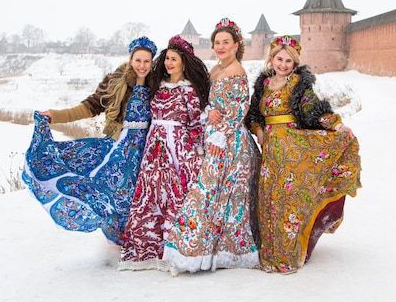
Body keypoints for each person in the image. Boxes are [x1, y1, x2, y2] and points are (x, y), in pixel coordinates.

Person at [22, 36, 157, 247]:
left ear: (152, 62)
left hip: (145, 149)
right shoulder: (115, 81)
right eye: (138, 60)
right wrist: (55, 116)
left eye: (146, 61)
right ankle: (122, 238)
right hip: (117, 145)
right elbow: (89, 107)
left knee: (136, 193)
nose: (142, 66)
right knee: (110, 189)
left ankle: (139, 235)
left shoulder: (156, 85)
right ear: (131, 60)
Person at [245, 35, 362, 273]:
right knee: (268, 200)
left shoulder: (299, 85)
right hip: (270, 151)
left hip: (292, 147)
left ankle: (286, 256)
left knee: (286, 201)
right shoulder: (263, 85)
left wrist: (337, 126)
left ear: (294, 63)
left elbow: (314, 110)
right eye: (280, 59)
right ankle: (268, 255)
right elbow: (254, 116)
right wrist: (258, 131)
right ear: (272, 58)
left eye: (289, 61)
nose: (283, 64)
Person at [163, 18, 261, 275]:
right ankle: (202, 251)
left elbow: (239, 110)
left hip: (230, 144)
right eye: (217, 42)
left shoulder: (237, 71)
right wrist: (208, 112)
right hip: (216, 137)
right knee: (211, 196)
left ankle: (218, 252)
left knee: (213, 196)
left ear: (236, 44)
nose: (220, 46)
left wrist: (220, 136)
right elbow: (210, 101)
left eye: (225, 42)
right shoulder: (216, 69)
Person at [118, 35, 210, 271]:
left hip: (178, 148)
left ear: (183, 62)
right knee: (150, 194)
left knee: (175, 196)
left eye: (174, 59)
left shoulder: (189, 90)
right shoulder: (157, 85)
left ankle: (175, 250)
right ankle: (146, 248)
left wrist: (197, 150)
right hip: (154, 148)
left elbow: (195, 123)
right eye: (167, 58)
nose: (169, 63)